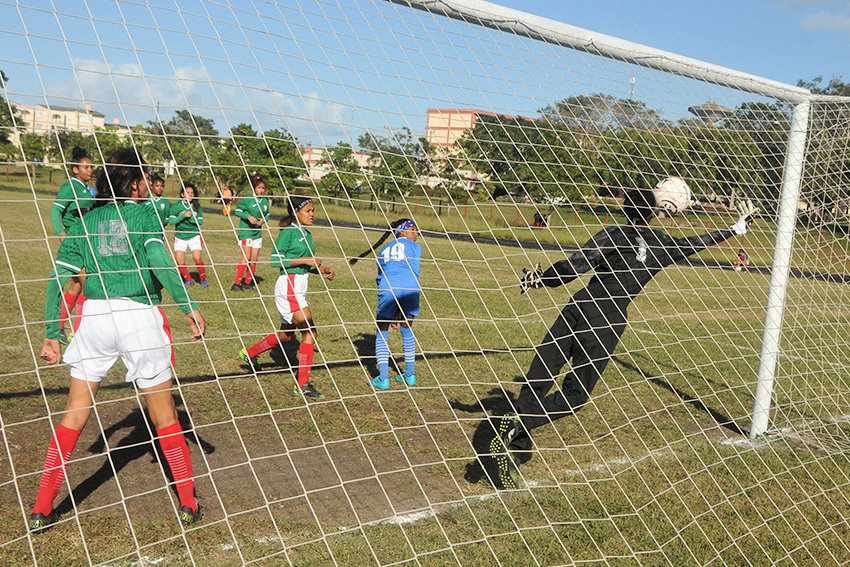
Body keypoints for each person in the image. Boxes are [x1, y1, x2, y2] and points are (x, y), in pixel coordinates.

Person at [489, 187, 758, 489]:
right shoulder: (663, 243)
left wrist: (542, 278)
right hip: (610, 318)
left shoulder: (613, 233)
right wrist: (737, 227)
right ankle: (518, 430)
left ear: (624, 209)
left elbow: (574, 267)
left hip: (580, 305)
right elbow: (697, 243)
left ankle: (515, 441)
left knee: (540, 375)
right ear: (654, 213)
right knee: (576, 395)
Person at [31, 147, 206, 532]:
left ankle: (43, 506)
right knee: (164, 414)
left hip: (94, 317)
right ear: (133, 182)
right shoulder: (143, 213)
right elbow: (160, 261)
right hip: (138, 316)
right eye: (145, 178)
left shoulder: (85, 221)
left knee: (76, 411)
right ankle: (189, 501)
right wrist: (188, 305)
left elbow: (60, 278)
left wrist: (51, 332)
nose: (149, 185)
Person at [238, 196, 334, 400]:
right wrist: (306, 259)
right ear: (296, 213)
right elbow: (276, 260)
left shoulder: (306, 234)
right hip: (289, 286)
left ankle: (250, 353)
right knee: (310, 332)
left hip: (298, 285)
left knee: (287, 336)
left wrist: (322, 269)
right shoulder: (289, 232)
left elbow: (305, 265)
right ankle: (302, 385)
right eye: (308, 210)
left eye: (313, 210)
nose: (312, 214)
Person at [350, 219, 422, 390]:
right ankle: (410, 375)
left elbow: (380, 276)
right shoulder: (415, 247)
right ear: (401, 232)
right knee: (407, 328)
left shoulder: (383, 250)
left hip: (389, 288)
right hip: (411, 287)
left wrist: (392, 308)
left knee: (382, 331)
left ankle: (383, 379)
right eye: (413, 230)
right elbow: (414, 269)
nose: (416, 234)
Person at [51, 146, 94, 345]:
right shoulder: (70, 186)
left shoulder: (85, 188)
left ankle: (60, 327)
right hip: (74, 244)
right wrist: (62, 233)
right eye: (85, 167)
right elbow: (55, 211)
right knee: (88, 286)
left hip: (85, 242)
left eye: (91, 167)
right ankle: (77, 333)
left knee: (77, 285)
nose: (90, 170)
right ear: (75, 169)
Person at [232, 174, 271, 291]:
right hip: (246, 232)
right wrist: (248, 216)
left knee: (254, 260)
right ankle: (236, 284)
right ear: (254, 188)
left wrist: (264, 220)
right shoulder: (249, 199)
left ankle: (248, 283)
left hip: (257, 233)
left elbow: (267, 214)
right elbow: (237, 211)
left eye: (263, 188)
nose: (261, 190)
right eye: (259, 187)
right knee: (246, 258)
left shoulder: (265, 201)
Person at [167, 183, 208, 287]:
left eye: (192, 193)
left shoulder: (196, 206)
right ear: (182, 195)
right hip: (180, 236)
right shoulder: (176, 206)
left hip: (194, 235)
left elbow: (200, 221)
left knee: (197, 258)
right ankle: (188, 279)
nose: (190, 194)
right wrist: (182, 216)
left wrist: (190, 217)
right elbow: (171, 221)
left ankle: (203, 279)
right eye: (187, 192)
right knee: (179, 260)